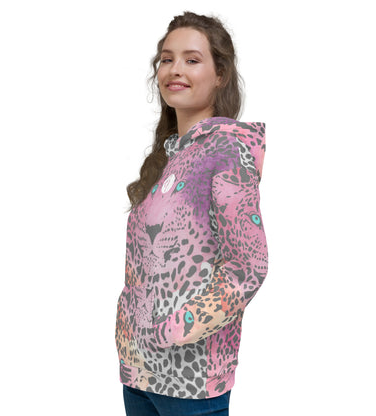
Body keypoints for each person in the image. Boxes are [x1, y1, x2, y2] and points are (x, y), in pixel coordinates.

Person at [115, 10, 268, 416]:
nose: (175, 69)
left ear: (220, 75)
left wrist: (180, 326)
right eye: (167, 59)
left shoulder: (227, 150)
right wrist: (129, 331)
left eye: (192, 59)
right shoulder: (168, 158)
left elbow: (248, 265)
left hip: (192, 379)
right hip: (140, 372)